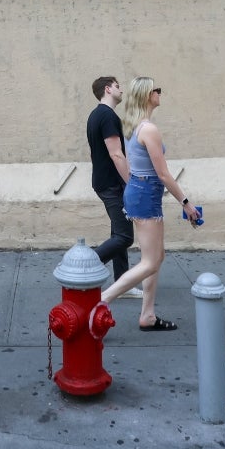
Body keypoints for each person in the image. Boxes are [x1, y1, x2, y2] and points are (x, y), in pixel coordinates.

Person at [100, 77, 200, 330]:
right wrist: (186, 203)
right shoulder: (148, 129)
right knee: (150, 262)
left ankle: (148, 315)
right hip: (145, 194)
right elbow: (164, 174)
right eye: (157, 89)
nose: (160, 93)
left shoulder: (137, 126)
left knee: (157, 256)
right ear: (147, 95)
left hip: (142, 191)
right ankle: (101, 300)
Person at [86, 76, 141, 299]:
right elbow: (116, 154)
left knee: (117, 231)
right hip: (111, 185)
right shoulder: (107, 116)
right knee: (125, 237)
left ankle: (122, 284)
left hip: (105, 183)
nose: (122, 89)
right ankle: (84, 266)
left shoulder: (96, 115)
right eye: (118, 86)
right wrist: (133, 183)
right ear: (107, 89)